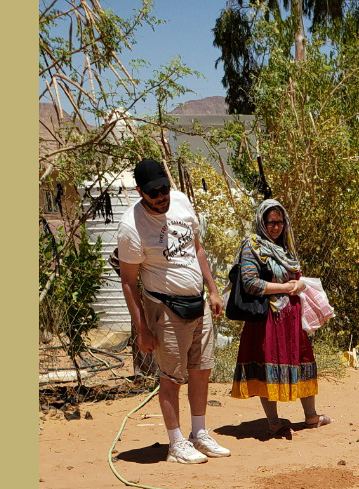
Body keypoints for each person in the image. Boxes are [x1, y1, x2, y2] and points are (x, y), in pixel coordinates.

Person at [118, 157, 231, 464]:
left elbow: (197, 248)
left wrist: (213, 289)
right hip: (165, 308)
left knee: (201, 369)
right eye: (154, 192)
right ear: (140, 191)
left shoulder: (181, 202)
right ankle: (176, 443)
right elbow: (129, 282)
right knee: (171, 377)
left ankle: (199, 433)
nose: (161, 197)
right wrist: (142, 328)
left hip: (198, 302)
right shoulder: (131, 227)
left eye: (164, 189)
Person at [231, 199, 332, 436]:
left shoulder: (286, 247)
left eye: (280, 222)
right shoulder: (252, 247)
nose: (276, 227)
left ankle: (311, 416)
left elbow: (293, 274)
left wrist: (297, 283)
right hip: (267, 319)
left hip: (292, 317)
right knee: (268, 365)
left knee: (304, 360)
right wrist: (286, 288)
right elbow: (250, 283)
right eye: (271, 222)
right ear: (261, 223)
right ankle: (274, 421)